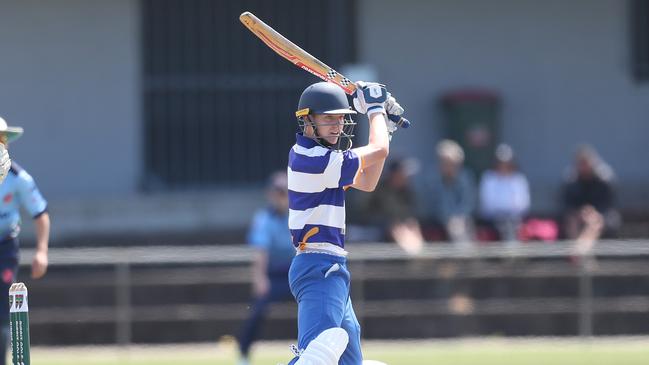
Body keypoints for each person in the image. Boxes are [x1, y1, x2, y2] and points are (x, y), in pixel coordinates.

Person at [286, 81, 403, 365]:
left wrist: (384, 125)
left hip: (330, 268)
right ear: (307, 120)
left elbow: (368, 180)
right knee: (314, 360)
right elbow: (378, 150)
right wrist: (375, 109)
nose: (337, 125)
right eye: (328, 118)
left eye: (340, 118)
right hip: (319, 268)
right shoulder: (313, 159)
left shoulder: (326, 159)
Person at [0, 116, 49, 365]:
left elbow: (40, 214)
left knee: (2, 312)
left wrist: (42, 251)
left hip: (5, 247)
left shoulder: (18, 178)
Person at [237, 171, 295, 365]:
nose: (281, 196)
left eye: (285, 191)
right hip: (274, 273)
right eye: (277, 191)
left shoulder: (299, 214)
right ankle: (243, 354)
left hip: (297, 271)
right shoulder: (263, 218)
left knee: (316, 307)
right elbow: (260, 251)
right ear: (270, 194)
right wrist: (260, 279)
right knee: (257, 312)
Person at [561, 144, 620, 255]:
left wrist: (593, 212)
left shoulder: (604, 178)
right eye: (581, 163)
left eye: (586, 163)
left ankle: (580, 253)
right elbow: (568, 205)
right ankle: (579, 255)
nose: (583, 166)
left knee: (594, 222)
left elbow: (608, 206)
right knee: (572, 220)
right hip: (578, 215)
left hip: (602, 216)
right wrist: (580, 212)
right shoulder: (571, 180)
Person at [366, 158, 424, 255]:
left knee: (412, 224)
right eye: (403, 174)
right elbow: (386, 216)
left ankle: (420, 254)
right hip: (378, 226)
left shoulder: (407, 191)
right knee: (394, 226)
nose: (406, 177)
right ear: (394, 174)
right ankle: (412, 254)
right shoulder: (381, 189)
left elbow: (409, 215)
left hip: (401, 227)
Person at [479, 144, 530, 242]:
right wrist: (502, 211)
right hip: (493, 218)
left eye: (507, 162)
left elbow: (523, 204)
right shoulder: (488, 178)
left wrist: (508, 211)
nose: (503, 165)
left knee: (510, 224)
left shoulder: (519, 179)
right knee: (504, 224)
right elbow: (487, 204)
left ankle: (510, 253)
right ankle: (510, 253)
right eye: (500, 162)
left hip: (514, 218)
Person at [428, 139, 476, 244]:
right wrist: (450, 218)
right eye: (444, 162)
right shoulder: (433, 179)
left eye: (451, 163)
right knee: (455, 228)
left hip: (462, 219)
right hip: (440, 219)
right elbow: (435, 205)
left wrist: (458, 217)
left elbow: (468, 203)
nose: (447, 166)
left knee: (460, 228)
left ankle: (464, 257)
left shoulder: (466, 178)